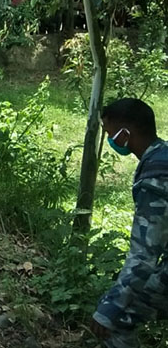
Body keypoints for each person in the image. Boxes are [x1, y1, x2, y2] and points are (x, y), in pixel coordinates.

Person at [90, 98, 167, 348]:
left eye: (110, 133)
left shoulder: (156, 178)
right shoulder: (162, 155)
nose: (110, 139)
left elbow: (144, 256)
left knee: (116, 320)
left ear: (125, 133)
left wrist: (109, 309)